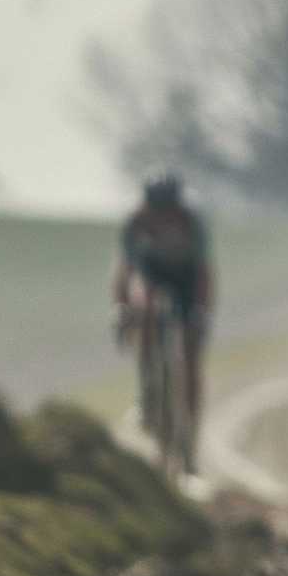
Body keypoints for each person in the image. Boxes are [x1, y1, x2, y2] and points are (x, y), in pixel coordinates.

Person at [112, 171, 213, 453]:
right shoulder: (134, 222)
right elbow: (125, 272)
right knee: (142, 309)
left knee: (191, 357)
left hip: (186, 278)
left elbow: (204, 273)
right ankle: (147, 396)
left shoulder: (192, 222)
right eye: (157, 211)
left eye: (169, 211)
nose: (163, 218)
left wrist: (201, 312)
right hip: (151, 274)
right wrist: (122, 308)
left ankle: (189, 441)